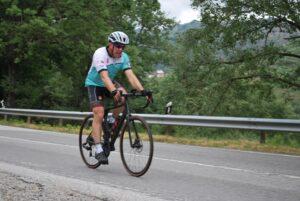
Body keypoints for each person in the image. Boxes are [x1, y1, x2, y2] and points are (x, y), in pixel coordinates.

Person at [85, 31, 151, 164]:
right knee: (99, 112)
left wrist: (143, 91)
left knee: (123, 96)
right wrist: (114, 91)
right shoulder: (100, 54)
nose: (121, 49)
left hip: (109, 82)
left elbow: (131, 76)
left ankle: (111, 120)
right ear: (110, 44)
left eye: (123, 47)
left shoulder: (124, 57)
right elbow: (104, 77)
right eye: (118, 46)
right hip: (94, 84)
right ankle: (98, 149)